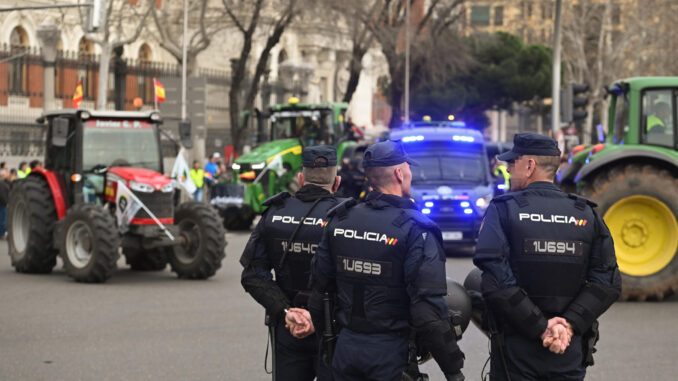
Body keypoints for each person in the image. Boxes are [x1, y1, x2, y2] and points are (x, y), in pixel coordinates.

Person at [310, 140, 465, 381]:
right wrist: (453, 370)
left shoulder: (340, 220)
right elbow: (427, 311)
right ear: (399, 174)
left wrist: (328, 345)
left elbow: (319, 292)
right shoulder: (417, 228)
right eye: (409, 169)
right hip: (391, 355)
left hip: (344, 351)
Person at [473, 133, 621, 381]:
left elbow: (496, 280)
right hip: (567, 347)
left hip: (516, 353)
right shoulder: (586, 213)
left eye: (512, 163)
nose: (508, 169)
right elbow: (607, 282)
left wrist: (540, 327)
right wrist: (568, 324)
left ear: (529, 165)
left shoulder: (504, 209)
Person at [240, 145, 343, 381]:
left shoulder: (274, 213)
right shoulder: (346, 217)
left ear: (300, 179)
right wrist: (319, 318)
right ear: (336, 182)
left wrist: (288, 313)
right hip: (333, 329)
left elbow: (253, 274)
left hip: (288, 326)